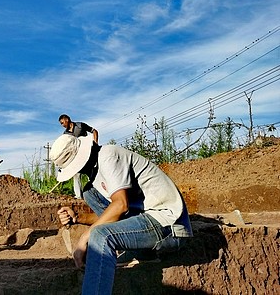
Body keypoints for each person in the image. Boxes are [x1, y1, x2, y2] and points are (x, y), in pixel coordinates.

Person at [50, 134, 192, 295]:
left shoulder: (108, 156)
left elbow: (120, 205)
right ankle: (143, 253)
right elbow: (111, 215)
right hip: (144, 221)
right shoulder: (95, 175)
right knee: (90, 193)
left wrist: (85, 237)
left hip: (169, 225)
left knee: (101, 235)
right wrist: (77, 217)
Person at [58, 114, 99, 198]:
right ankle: (79, 196)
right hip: (77, 157)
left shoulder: (80, 125)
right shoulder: (65, 134)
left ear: (67, 120)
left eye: (62, 123)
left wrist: (95, 143)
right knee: (76, 174)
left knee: (92, 174)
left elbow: (94, 131)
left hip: (87, 153)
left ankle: (97, 193)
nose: (62, 125)